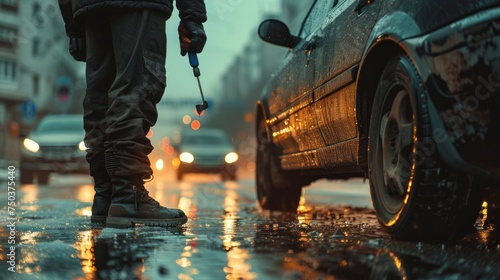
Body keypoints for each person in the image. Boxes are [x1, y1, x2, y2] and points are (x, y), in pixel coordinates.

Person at [58, 0, 207, 227]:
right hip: (138, 5)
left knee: (100, 98)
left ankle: (106, 197)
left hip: (88, 7)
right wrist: (192, 16)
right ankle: (128, 197)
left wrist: (73, 24)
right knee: (136, 87)